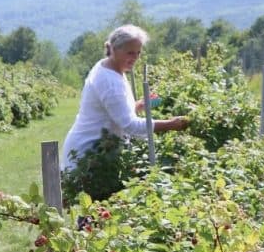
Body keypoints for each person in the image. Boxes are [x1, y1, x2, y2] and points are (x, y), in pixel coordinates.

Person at [60, 24, 188, 172]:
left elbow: (114, 112)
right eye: (130, 53)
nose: (135, 58)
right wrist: (172, 124)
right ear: (114, 49)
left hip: (99, 152)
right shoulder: (109, 82)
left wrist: (138, 105)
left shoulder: (111, 68)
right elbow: (131, 126)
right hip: (88, 156)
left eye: (138, 53)